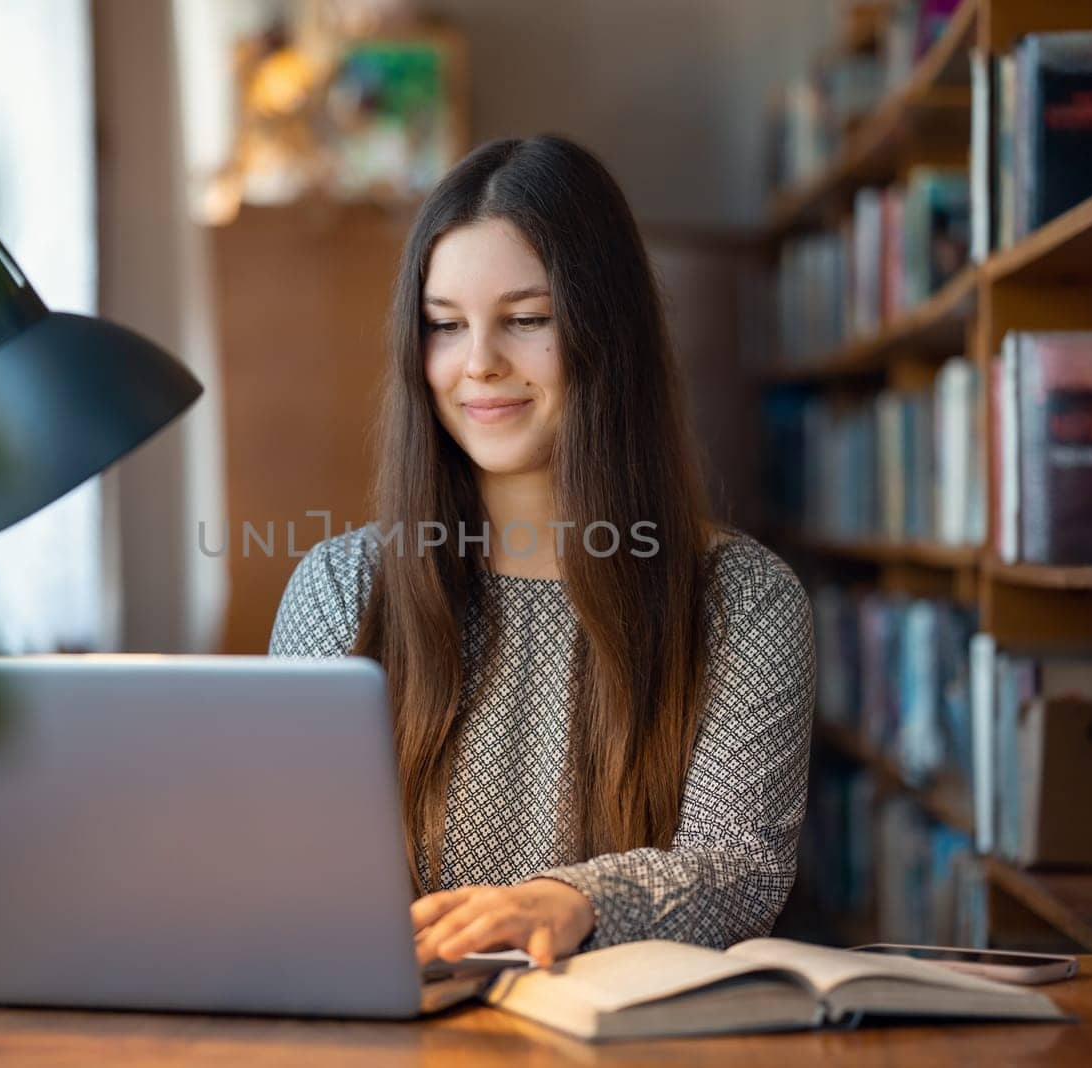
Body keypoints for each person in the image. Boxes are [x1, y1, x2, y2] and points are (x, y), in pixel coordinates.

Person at [268, 134, 815, 969]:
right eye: (444, 326)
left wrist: (574, 901)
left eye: (525, 321)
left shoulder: (743, 598)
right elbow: (285, 868)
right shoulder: (342, 586)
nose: (479, 364)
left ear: (607, 330)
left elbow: (740, 869)